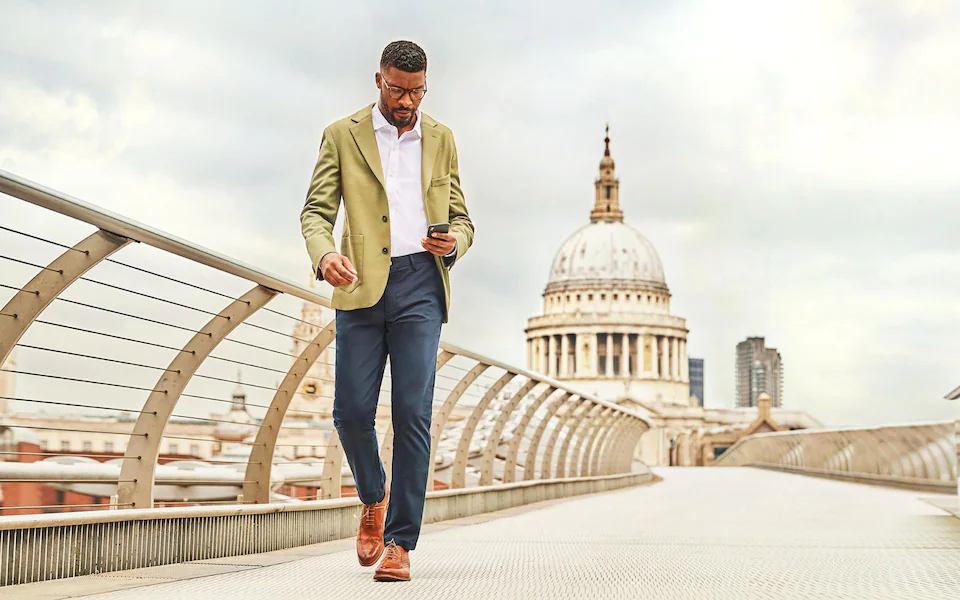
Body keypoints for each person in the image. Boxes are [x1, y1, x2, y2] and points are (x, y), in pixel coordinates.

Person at [300, 40, 474, 582]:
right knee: (351, 411)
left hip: (422, 283)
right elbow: (315, 212)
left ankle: (400, 541)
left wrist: (456, 243)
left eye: (417, 92)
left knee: (412, 414)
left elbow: (464, 218)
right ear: (379, 80)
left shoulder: (441, 138)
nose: (407, 101)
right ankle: (372, 498)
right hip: (361, 282)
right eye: (398, 90)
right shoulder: (342, 134)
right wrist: (325, 253)